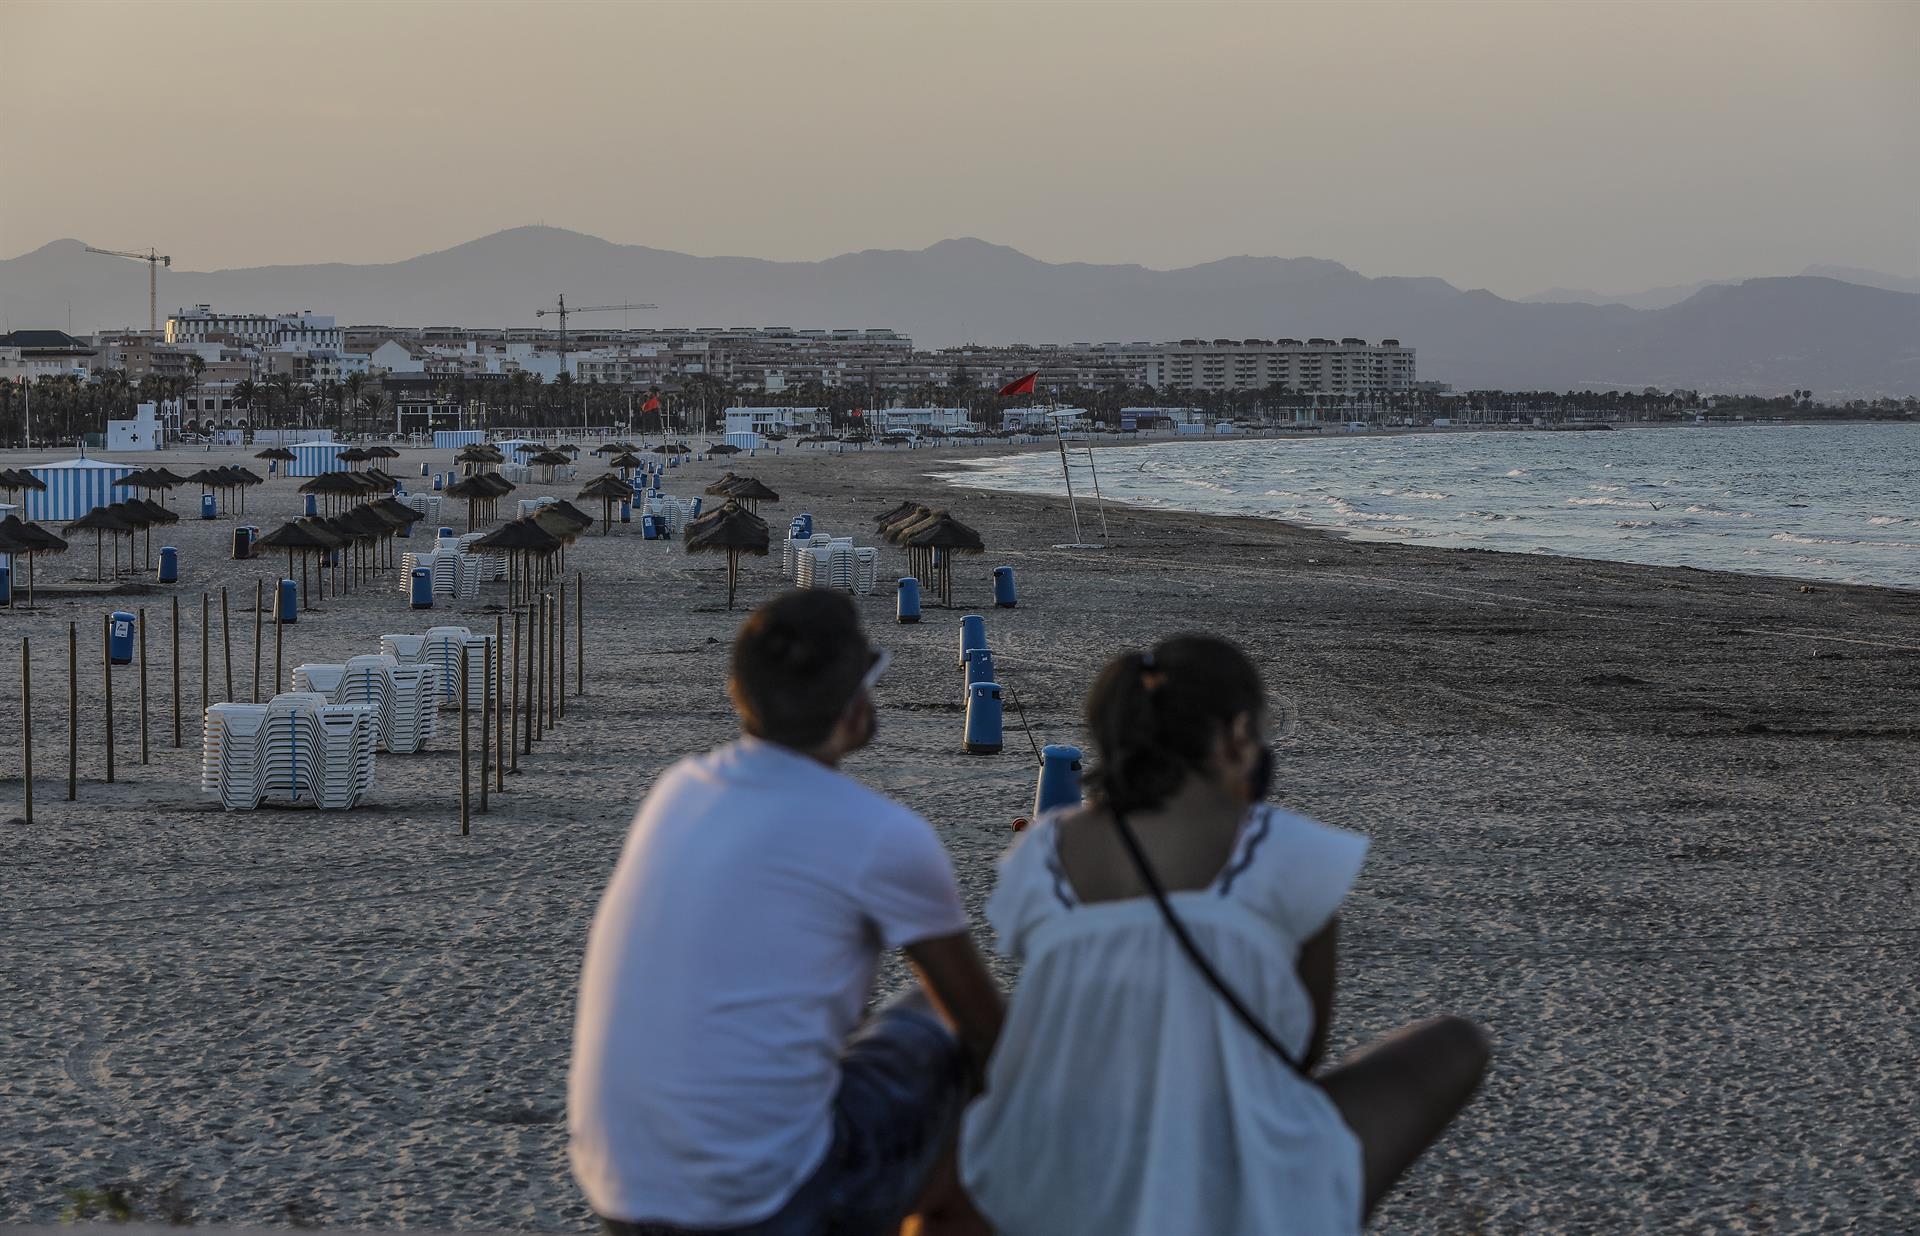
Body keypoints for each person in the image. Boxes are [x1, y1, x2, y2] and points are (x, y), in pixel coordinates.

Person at [961, 635, 1490, 1235]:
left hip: (1054, 1175)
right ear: (1238, 738)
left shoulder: (1040, 854)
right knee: (1455, 1043)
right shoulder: (1293, 853)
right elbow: (1301, 1053)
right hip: (1233, 1190)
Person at [570, 590, 1003, 1236]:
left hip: (618, 1185)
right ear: (856, 706)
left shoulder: (679, 788)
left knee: (915, 1031)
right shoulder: (883, 836)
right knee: (959, 1051)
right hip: (758, 1204)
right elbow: (986, 1030)